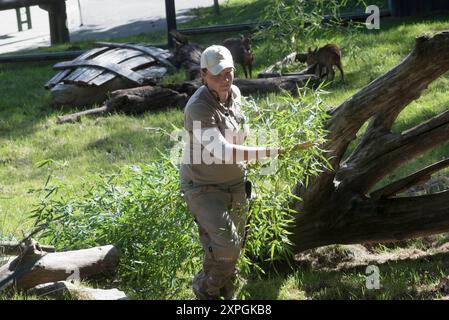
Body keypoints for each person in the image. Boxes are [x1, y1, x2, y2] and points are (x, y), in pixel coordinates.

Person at [180, 45, 314, 300]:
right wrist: (267, 151)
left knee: (232, 247)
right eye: (218, 75)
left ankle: (225, 294)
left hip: (235, 183)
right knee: (227, 247)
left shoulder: (235, 94)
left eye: (229, 72)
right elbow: (223, 150)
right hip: (203, 187)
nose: (225, 79)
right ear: (203, 75)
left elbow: (239, 131)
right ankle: (204, 290)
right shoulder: (198, 107)